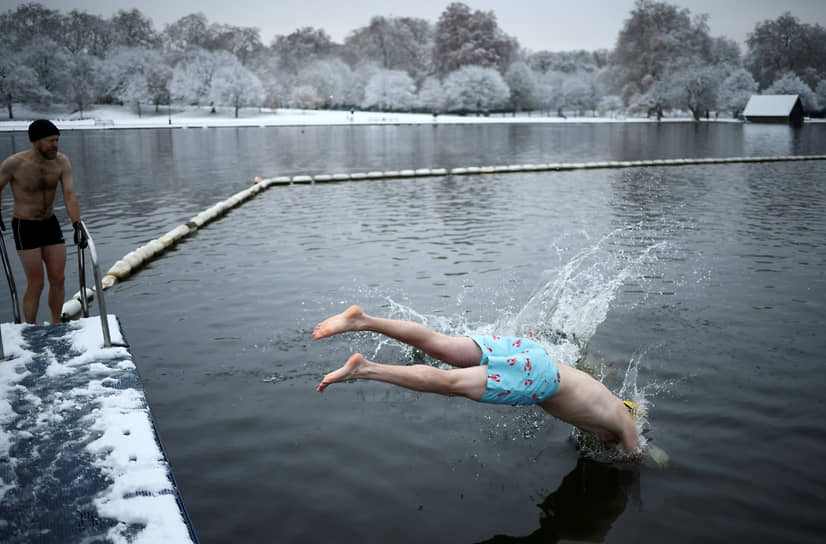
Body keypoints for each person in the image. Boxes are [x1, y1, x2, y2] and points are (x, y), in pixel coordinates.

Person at [314, 305, 641, 453]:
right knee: (449, 383)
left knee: (440, 345)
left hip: (535, 355)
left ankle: (362, 320)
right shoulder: (622, 422)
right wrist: (649, 454)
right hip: (540, 378)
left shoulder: (604, 403)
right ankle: (365, 369)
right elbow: (638, 451)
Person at [0, 120, 87, 324]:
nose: (55, 145)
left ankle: (56, 323)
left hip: (49, 222)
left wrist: (77, 224)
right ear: (36, 141)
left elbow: (69, 195)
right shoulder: (14, 163)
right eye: (50, 141)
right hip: (25, 225)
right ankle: (30, 327)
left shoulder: (61, 162)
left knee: (58, 279)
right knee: (36, 282)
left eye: (57, 140)